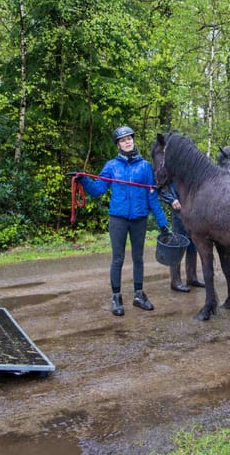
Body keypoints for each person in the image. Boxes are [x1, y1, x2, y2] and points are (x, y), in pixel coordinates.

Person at [76, 126, 170, 316]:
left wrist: (163, 223)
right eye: (123, 140)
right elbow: (97, 190)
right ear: (118, 145)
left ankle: (138, 295)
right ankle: (116, 297)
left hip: (139, 219)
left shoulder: (145, 167)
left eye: (129, 139)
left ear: (133, 141)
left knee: (138, 258)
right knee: (117, 258)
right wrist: (83, 180)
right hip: (118, 219)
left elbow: (152, 198)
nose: (127, 142)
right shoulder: (111, 166)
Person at [159, 183, 205, 292]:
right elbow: (161, 188)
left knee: (193, 244)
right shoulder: (171, 173)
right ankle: (175, 281)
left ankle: (192, 277)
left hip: (192, 211)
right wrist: (171, 200)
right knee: (178, 244)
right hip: (178, 211)